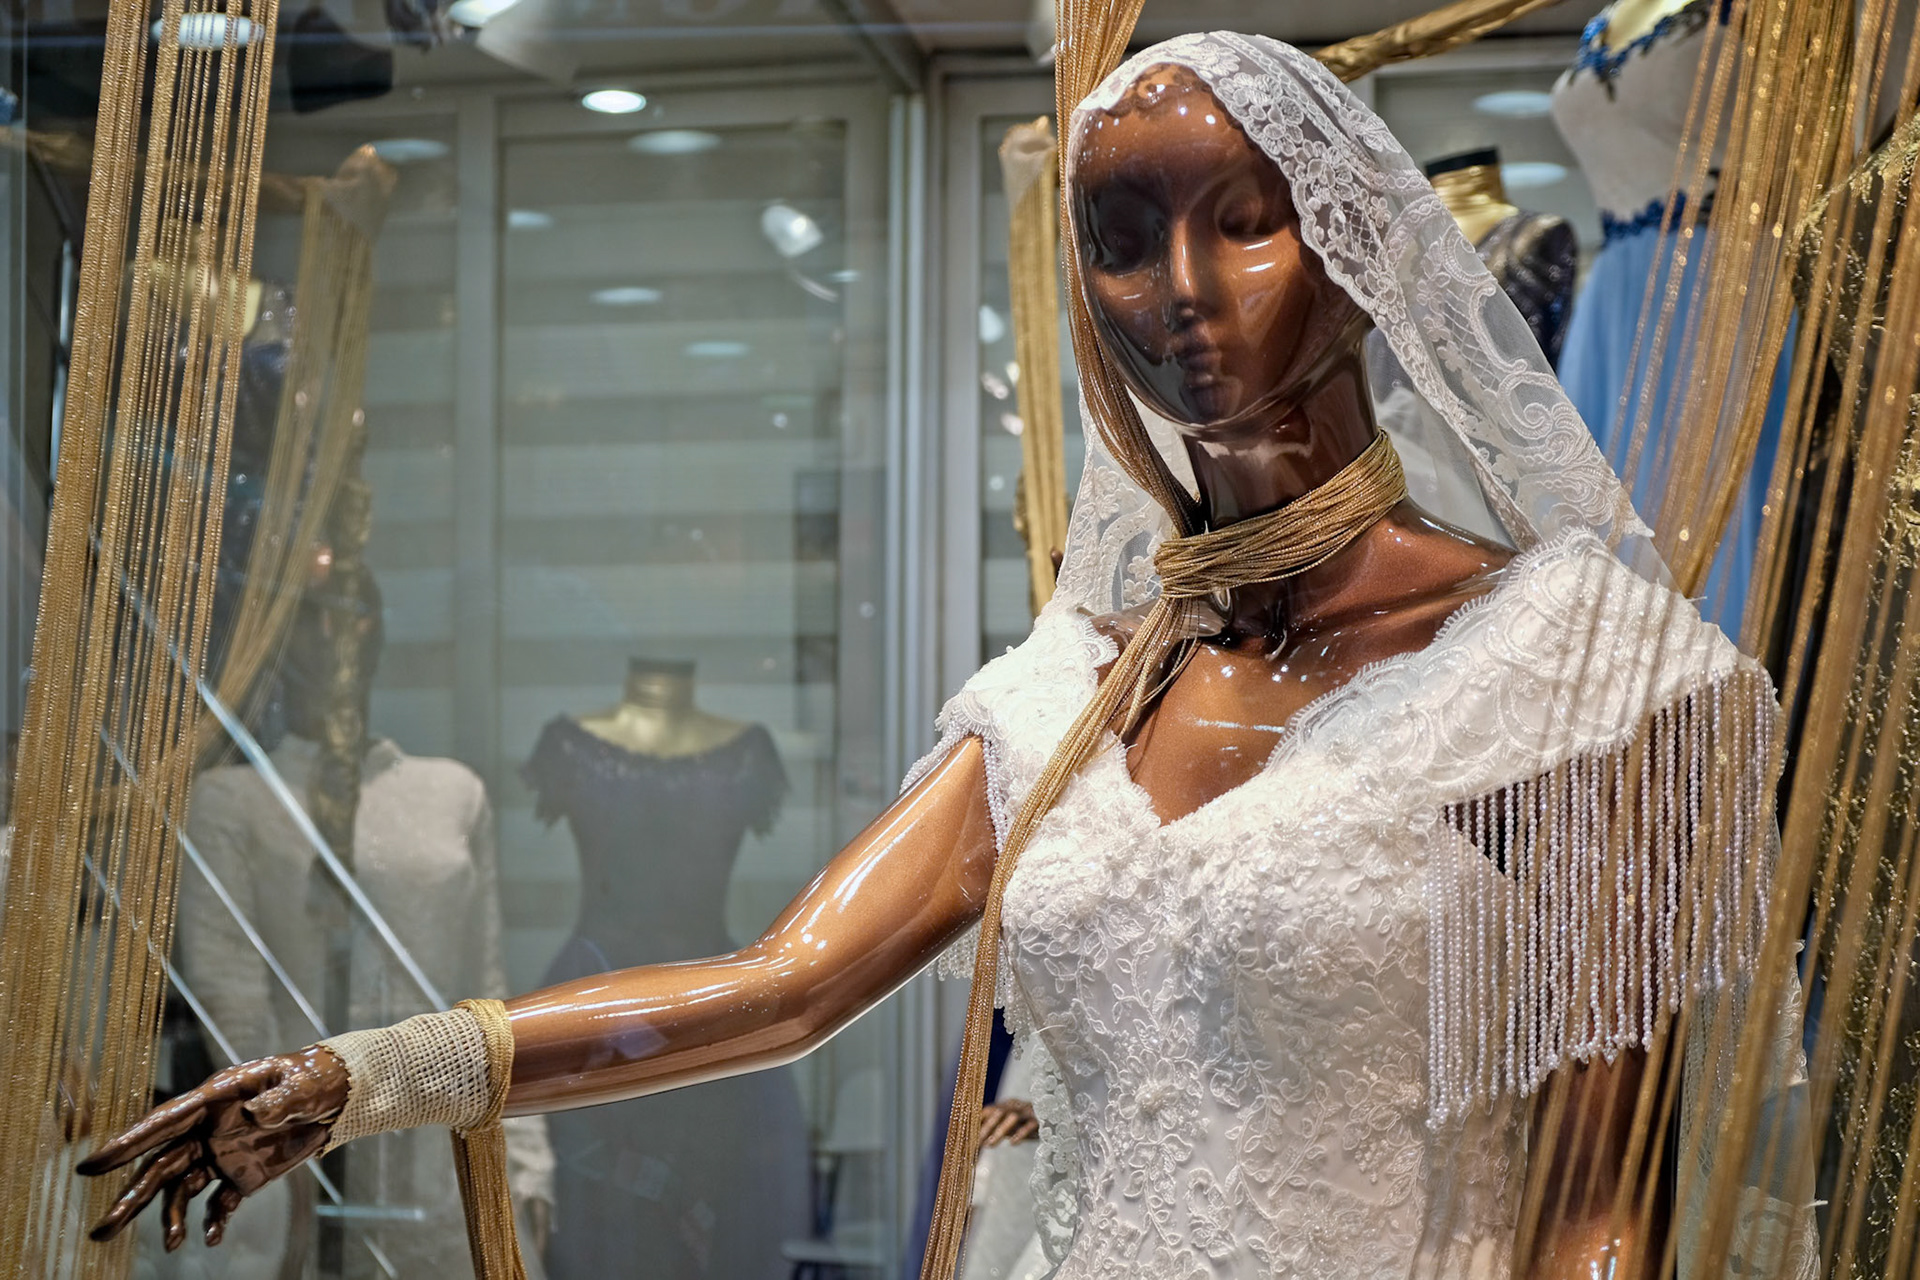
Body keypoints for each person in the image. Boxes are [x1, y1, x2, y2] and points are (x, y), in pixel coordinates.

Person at [78, 32, 1812, 1280]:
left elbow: (1601, 1218)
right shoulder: (1068, 699)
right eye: (1122, 242)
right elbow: (777, 985)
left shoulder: (1570, 683)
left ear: (1360, 261)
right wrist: (365, 1077)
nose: (1183, 293)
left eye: (1246, 221)